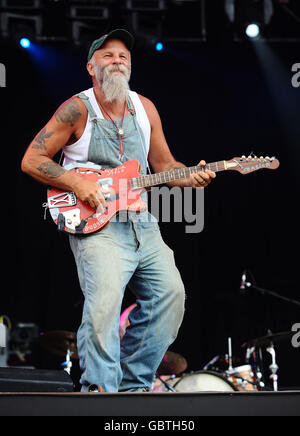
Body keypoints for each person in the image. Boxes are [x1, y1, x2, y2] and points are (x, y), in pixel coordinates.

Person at [21, 29, 216, 392]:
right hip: (98, 227)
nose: (117, 61)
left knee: (170, 298)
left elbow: (164, 164)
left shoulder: (146, 108)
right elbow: (32, 159)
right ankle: (100, 392)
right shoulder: (77, 108)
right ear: (91, 67)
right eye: (107, 56)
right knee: (104, 309)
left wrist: (190, 178)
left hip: (142, 222)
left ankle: (133, 386)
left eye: (123, 56)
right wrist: (78, 183)